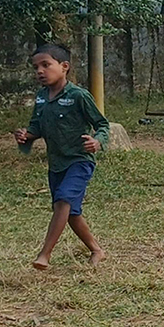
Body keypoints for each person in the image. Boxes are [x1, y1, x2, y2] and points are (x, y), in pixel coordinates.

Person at [13, 44, 109, 271]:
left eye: (46, 65)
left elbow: (102, 124)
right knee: (72, 213)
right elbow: (36, 126)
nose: (40, 71)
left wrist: (97, 141)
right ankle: (97, 250)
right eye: (36, 67)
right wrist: (26, 135)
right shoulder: (41, 97)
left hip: (79, 160)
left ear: (64, 66)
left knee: (63, 201)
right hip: (56, 164)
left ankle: (44, 254)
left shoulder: (79, 96)